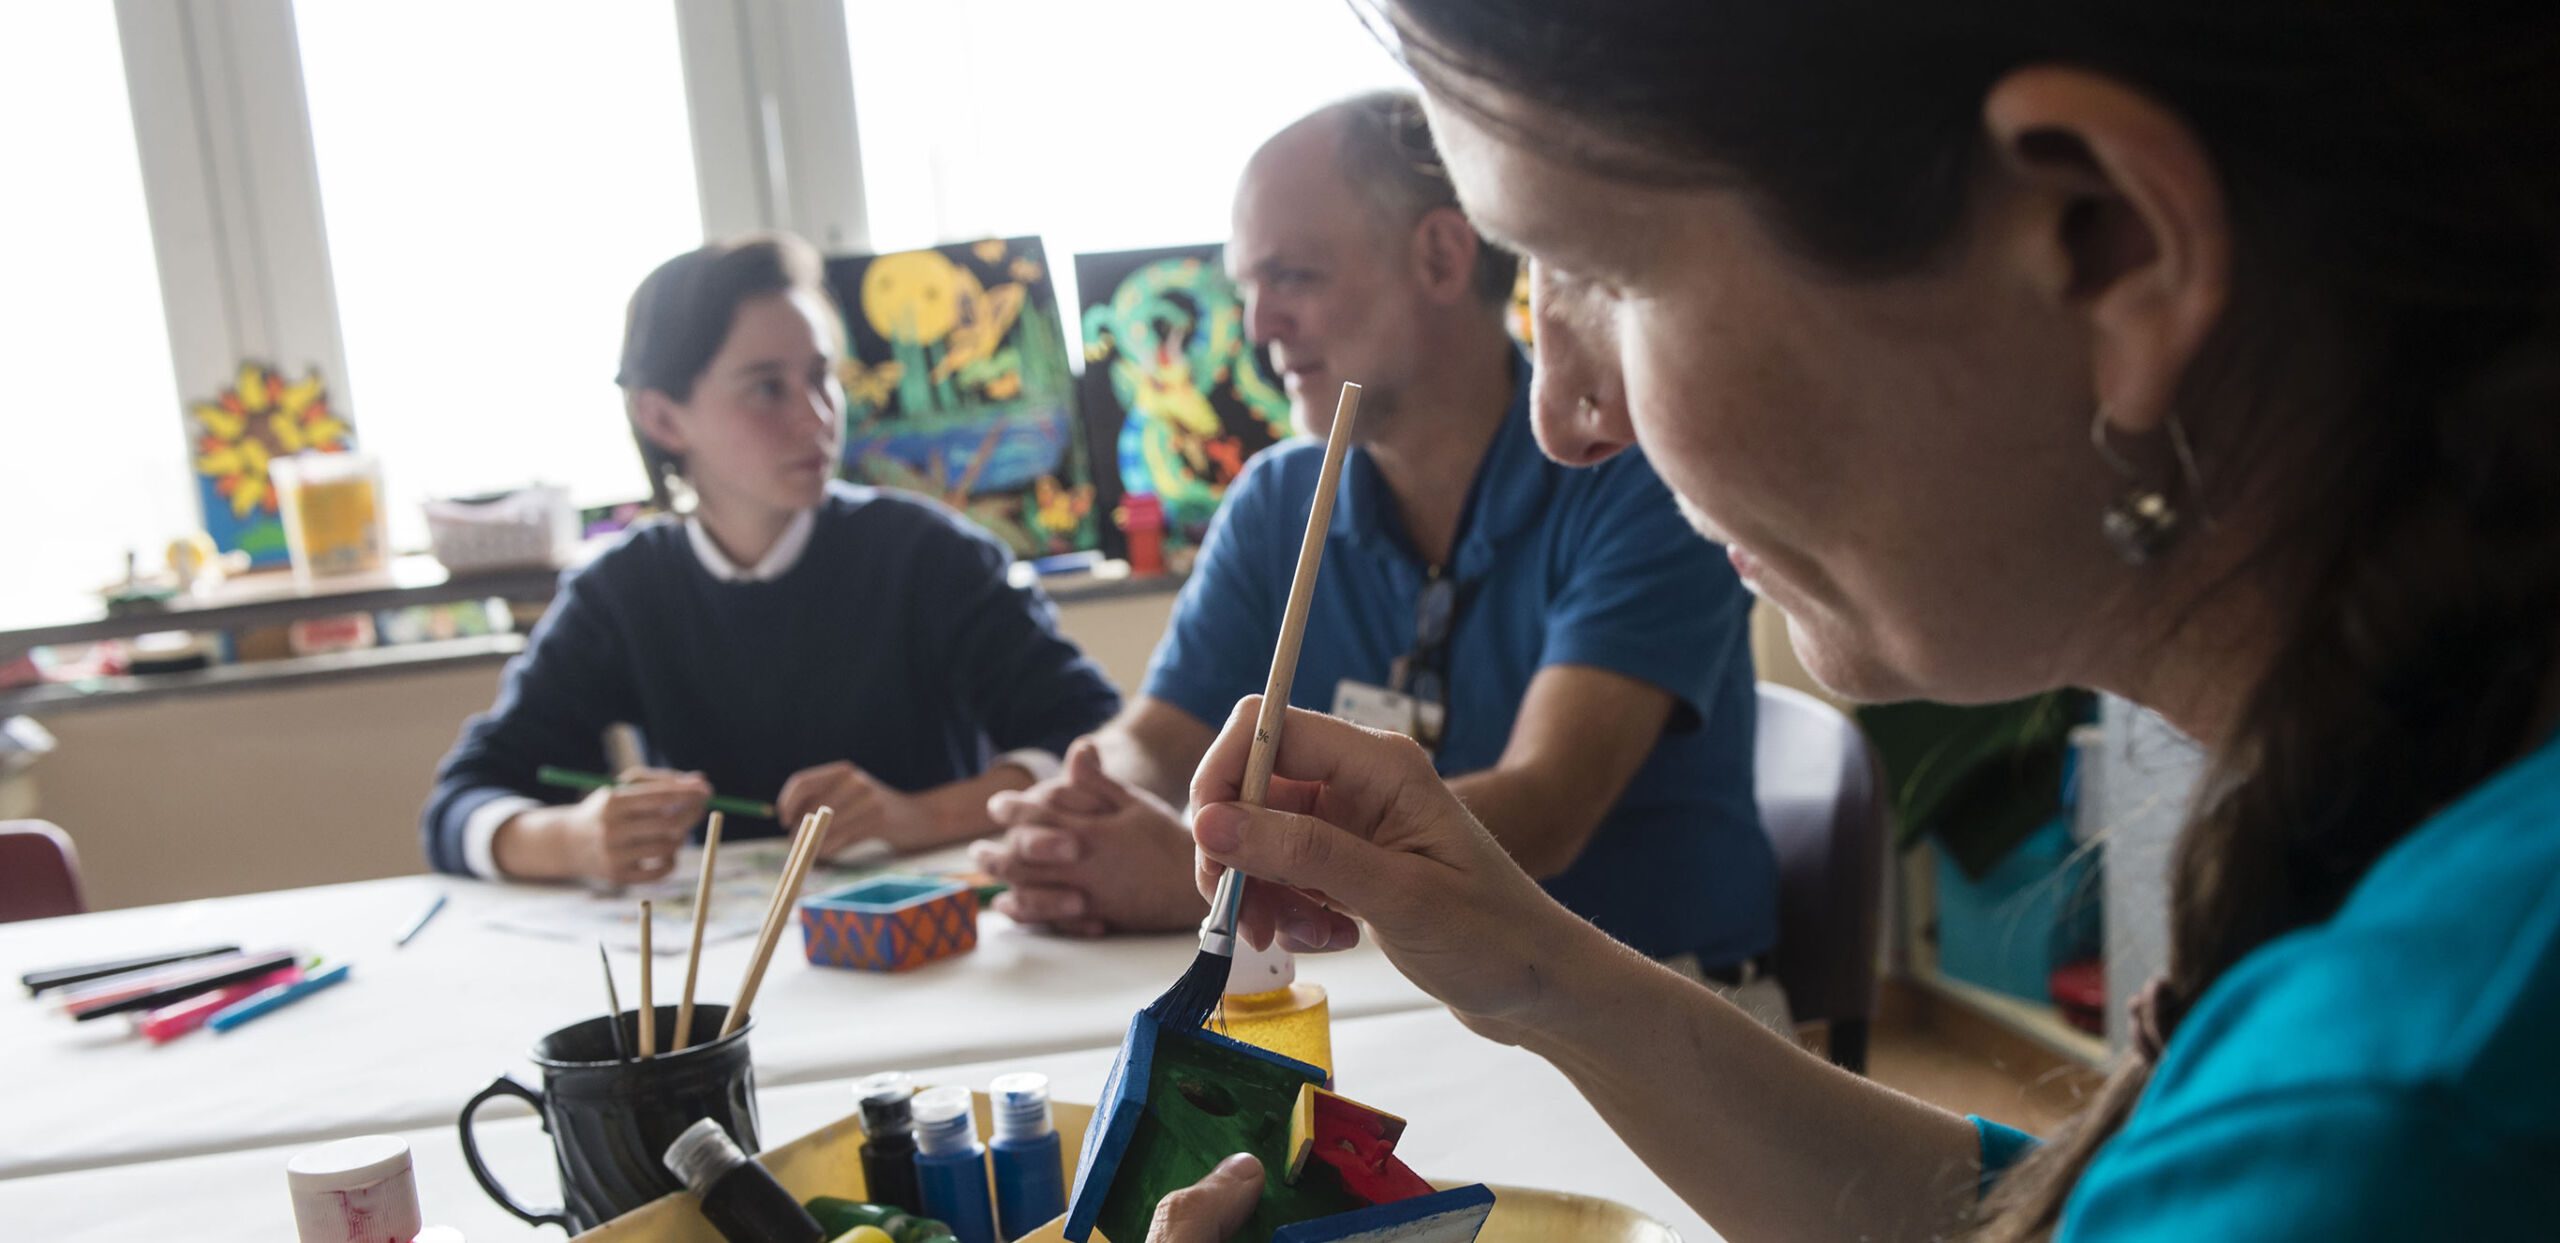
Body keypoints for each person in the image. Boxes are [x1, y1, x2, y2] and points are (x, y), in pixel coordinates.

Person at [1150, 2, 2560, 1240]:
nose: (1567, 417)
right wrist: (1535, 971)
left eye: (1603, 274)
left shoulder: (2405, 1110)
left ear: (2105, 241)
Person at [971, 91, 1776, 983]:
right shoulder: (1278, 497)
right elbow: (1161, 733)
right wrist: (1089, 797)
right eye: (1248, 285)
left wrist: (1221, 865)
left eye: (1293, 277)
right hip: (1385, 987)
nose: (1255, 325)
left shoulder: (1636, 473)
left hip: (1652, 1010)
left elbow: (1547, 805)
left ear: (1439, 255)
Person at [423, 234, 1121, 884]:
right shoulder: (623, 590)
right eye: (766, 387)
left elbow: (1097, 740)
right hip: (722, 971)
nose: (818, 417)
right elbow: (461, 803)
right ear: (663, 418)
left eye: (823, 377)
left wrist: (919, 816)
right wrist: (573, 837)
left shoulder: (928, 554)